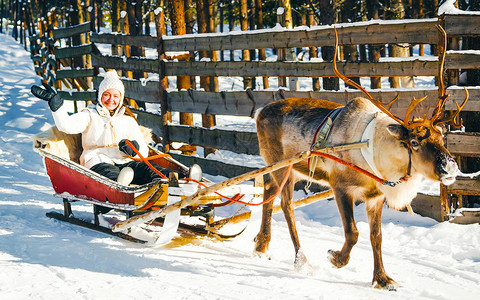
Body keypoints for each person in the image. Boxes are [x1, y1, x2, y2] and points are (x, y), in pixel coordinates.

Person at [31, 70, 200, 186]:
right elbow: (66, 126)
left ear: (121, 98)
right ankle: (121, 187)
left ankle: (183, 179)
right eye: (106, 95)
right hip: (97, 161)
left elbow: (143, 148)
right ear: (100, 96)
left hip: (125, 160)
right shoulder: (89, 115)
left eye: (115, 96)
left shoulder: (127, 120)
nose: (111, 99)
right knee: (108, 173)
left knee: (147, 169)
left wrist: (133, 147)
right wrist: (57, 107)